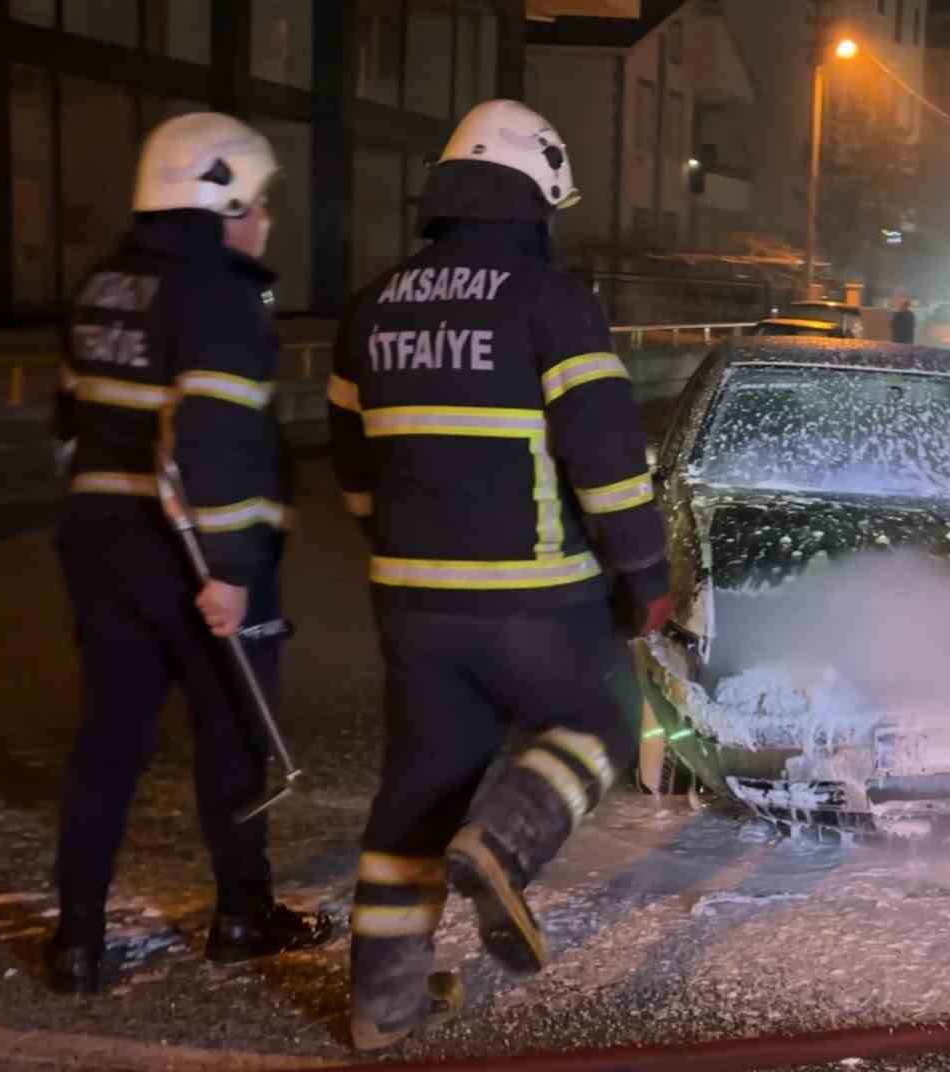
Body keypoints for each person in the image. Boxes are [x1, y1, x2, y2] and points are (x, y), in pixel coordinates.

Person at [329, 100, 673, 1049]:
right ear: (535, 198)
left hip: (410, 599)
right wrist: (644, 570)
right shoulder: (551, 302)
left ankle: (382, 1006)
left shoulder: (372, 307)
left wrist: (395, 547)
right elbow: (606, 460)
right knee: (600, 721)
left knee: (419, 787)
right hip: (533, 594)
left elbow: (352, 466)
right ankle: (505, 842)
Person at [46, 113, 333, 995]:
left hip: (102, 545)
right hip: (193, 559)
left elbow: (71, 423)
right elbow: (212, 441)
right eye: (259, 204)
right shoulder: (217, 296)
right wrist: (232, 574)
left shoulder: (106, 286)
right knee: (233, 741)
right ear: (223, 201)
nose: (267, 224)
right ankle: (242, 916)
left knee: (108, 742)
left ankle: (78, 939)